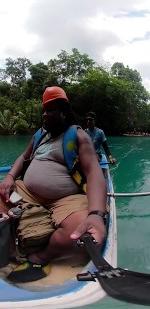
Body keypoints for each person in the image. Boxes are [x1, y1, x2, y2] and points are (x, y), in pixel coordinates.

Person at [0, 87, 109, 283]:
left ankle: (40, 257)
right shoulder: (40, 135)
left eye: (50, 110)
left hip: (66, 199)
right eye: (44, 109)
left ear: (64, 112)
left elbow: (94, 172)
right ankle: (12, 247)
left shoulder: (78, 135)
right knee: (2, 194)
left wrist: (96, 214)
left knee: (84, 236)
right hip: (25, 194)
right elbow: (23, 157)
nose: (45, 114)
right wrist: (9, 177)